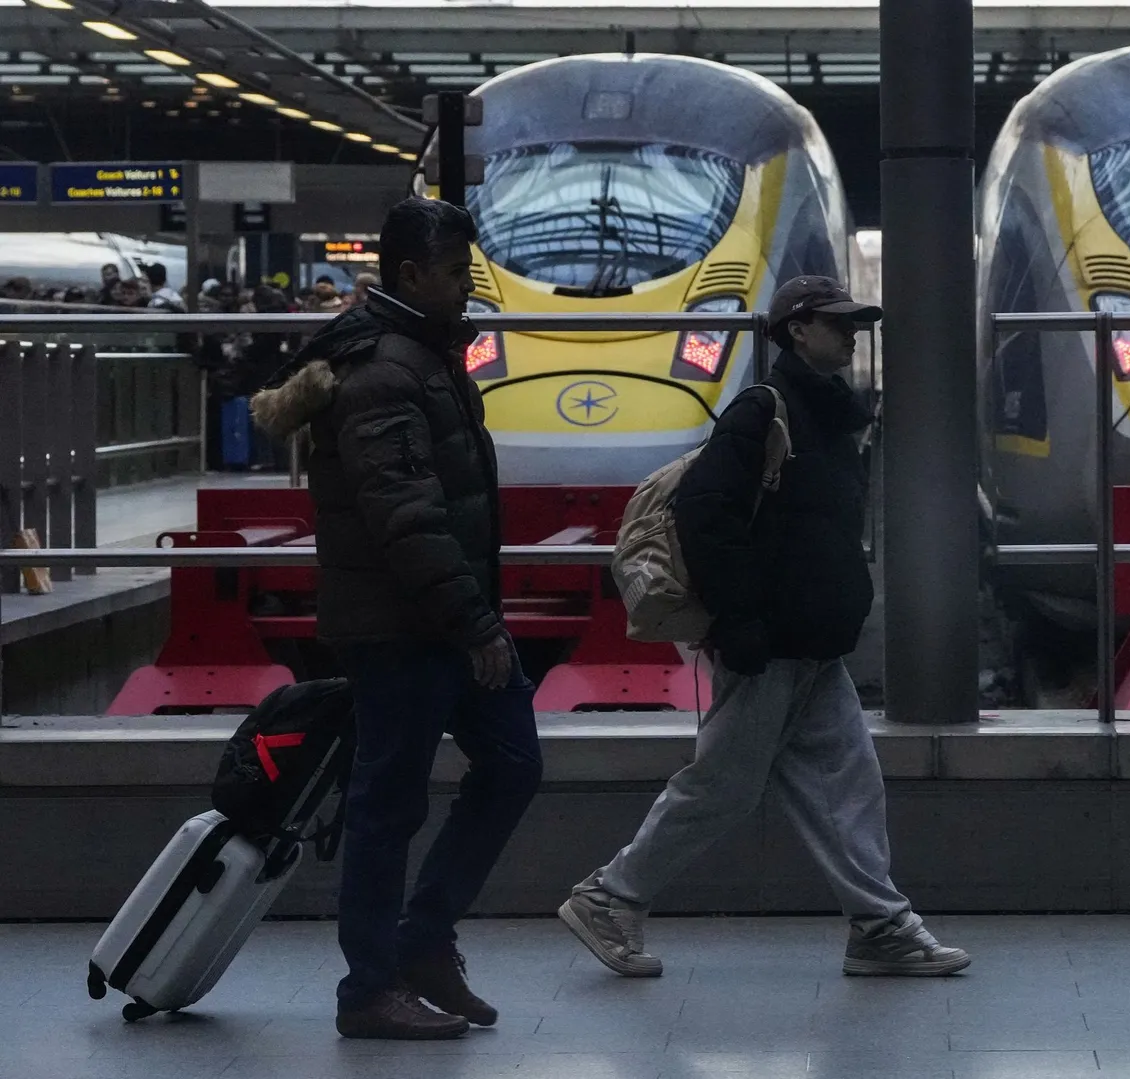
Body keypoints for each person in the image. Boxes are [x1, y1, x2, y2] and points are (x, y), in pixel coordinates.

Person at [558, 276, 970, 980]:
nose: (850, 333)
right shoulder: (763, 410)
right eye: (836, 322)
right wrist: (739, 618)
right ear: (795, 330)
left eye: (854, 322)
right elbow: (706, 516)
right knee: (721, 786)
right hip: (769, 640)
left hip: (811, 640)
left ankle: (880, 926)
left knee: (849, 783)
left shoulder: (833, 416)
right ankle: (610, 895)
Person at [249, 197, 542, 1040]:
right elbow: (406, 517)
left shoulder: (425, 355)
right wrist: (477, 625)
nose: (470, 290)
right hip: (402, 625)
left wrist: (472, 617)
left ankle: (420, 942)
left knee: (514, 765)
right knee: (388, 801)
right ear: (410, 274)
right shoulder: (383, 371)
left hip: (445, 614)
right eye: (456, 275)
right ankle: (369, 987)